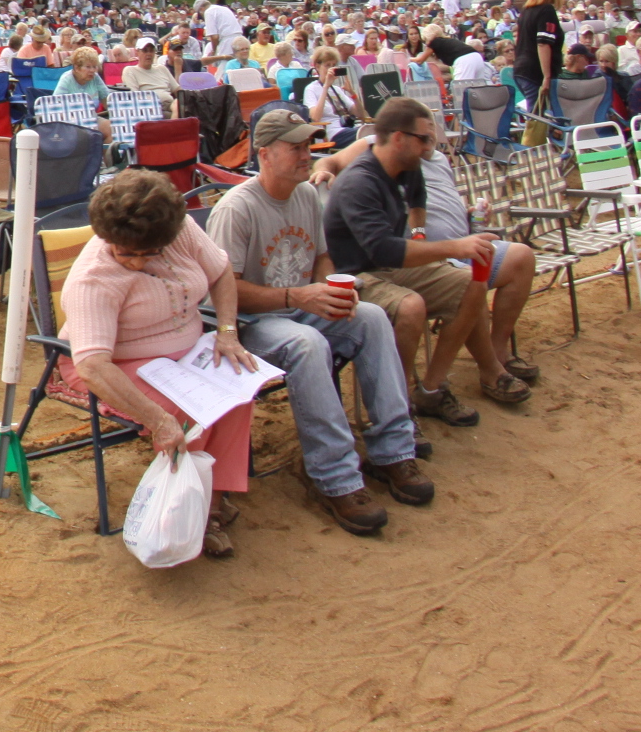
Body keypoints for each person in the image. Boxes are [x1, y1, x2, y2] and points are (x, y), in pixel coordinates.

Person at [207, 111, 431, 536]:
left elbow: (322, 255)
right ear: (264, 154)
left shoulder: (307, 195)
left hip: (298, 307)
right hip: (250, 322)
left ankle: (394, 451)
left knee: (371, 317)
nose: (306, 155)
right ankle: (335, 478)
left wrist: (329, 288)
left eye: (308, 146)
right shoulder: (237, 208)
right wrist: (297, 297)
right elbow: (225, 291)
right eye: (295, 148)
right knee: (308, 343)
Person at [57, 169, 257, 559]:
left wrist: (227, 332)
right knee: (188, 411)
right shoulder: (93, 279)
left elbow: (221, 273)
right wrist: (159, 421)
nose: (136, 262)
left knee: (238, 387)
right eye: (126, 253)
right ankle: (183, 509)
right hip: (115, 362)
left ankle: (213, 499)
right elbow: (93, 366)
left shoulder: (179, 231)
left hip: (183, 352)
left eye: (150, 252)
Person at [322, 97, 535, 426]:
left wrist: (419, 234)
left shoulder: (406, 166)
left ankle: (432, 389)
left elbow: (417, 197)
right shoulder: (360, 181)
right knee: (411, 307)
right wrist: (455, 247)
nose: (428, 147)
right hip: (357, 276)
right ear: (398, 138)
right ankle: (399, 406)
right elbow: (383, 251)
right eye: (423, 138)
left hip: (392, 268)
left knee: (473, 283)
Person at [512, 0, 564, 140]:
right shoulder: (546, 11)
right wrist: (547, 76)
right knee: (537, 119)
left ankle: (543, 147)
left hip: (521, 68)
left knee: (538, 115)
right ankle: (532, 150)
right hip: (535, 72)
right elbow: (543, 43)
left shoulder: (526, 11)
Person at [301, 47, 364, 144]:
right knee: (365, 135)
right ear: (317, 66)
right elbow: (315, 117)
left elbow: (360, 114)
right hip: (330, 133)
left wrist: (352, 93)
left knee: (372, 131)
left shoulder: (337, 89)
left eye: (333, 65)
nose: (331, 69)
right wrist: (326, 87)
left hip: (346, 129)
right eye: (327, 65)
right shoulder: (311, 89)